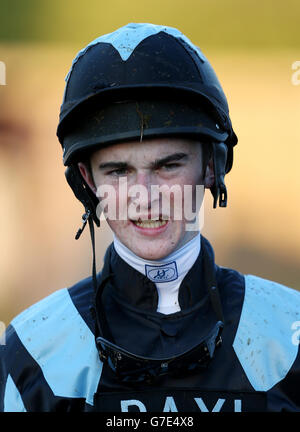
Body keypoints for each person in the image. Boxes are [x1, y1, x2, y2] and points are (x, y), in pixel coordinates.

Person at [1, 22, 300, 413]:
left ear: (212, 166)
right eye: (119, 171)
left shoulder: (290, 338)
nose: (145, 196)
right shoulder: (32, 352)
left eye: (168, 165)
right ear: (88, 182)